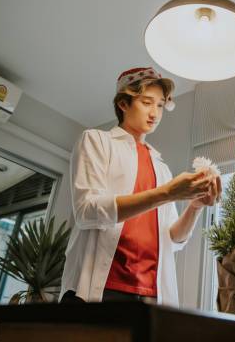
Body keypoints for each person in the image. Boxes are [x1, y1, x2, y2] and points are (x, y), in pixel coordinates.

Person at [60, 67, 221, 306]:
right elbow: (87, 211)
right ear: (124, 104)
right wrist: (166, 193)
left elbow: (173, 240)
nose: (155, 113)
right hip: (100, 289)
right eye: (147, 102)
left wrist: (195, 207)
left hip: (152, 294)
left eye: (159, 105)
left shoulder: (161, 166)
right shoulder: (97, 141)